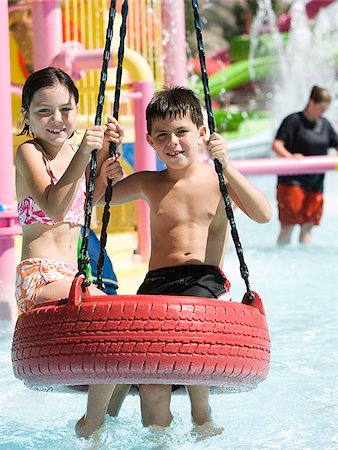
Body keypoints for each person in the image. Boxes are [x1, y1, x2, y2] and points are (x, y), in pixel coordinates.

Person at [105, 85, 272, 428]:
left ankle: (202, 415)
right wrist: (109, 153)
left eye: (181, 132)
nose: (173, 142)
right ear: (150, 140)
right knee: (152, 380)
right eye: (162, 135)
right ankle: (157, 437)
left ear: (201, 134)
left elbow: (263, 214)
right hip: (157, 283)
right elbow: (94, 200)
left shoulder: (218, 181)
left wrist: (226, 166)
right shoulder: (149, 183)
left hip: (204, 279)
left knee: (187, 338)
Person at [14, 67, 124, 438]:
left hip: (72, 277)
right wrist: (85, 154)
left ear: (77, 108)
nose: (57, 120)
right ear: (26, 115)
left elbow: (85, 204)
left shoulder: (79, 153)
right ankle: (90, 424)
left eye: (66, 109)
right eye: (44, 111)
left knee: (126, 326)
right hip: (38, 276)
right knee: (114, 314)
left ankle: (105, 419)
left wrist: (108, 158)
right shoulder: (29, 152)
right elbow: (54, 205)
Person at [272, 85, 338, 245]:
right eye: (320, 108)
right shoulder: (293, 120)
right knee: (288, 226)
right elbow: (277, 144)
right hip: (292, 182)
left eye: (325, 109)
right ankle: (282, 260)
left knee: (308, 226)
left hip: (315, 183)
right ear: (311, 102)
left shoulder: (325, 125)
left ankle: (305, 262)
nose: (322, 112)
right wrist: (290, 156)